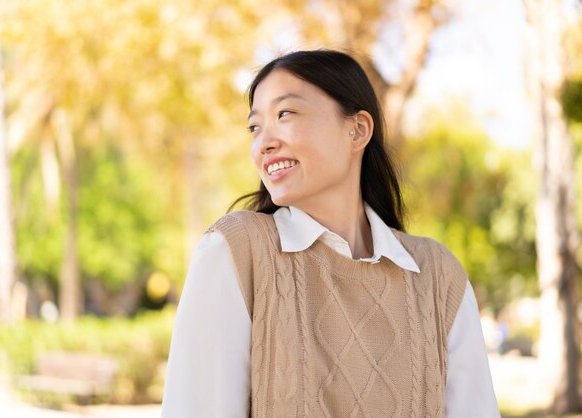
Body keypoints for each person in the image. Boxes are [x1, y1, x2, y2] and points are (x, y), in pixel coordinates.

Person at [161, 49, 500, 418]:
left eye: (285, 114)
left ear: (357, 130)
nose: (264, 142)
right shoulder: (236, 252)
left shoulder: (439, 277)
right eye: (255, 127)